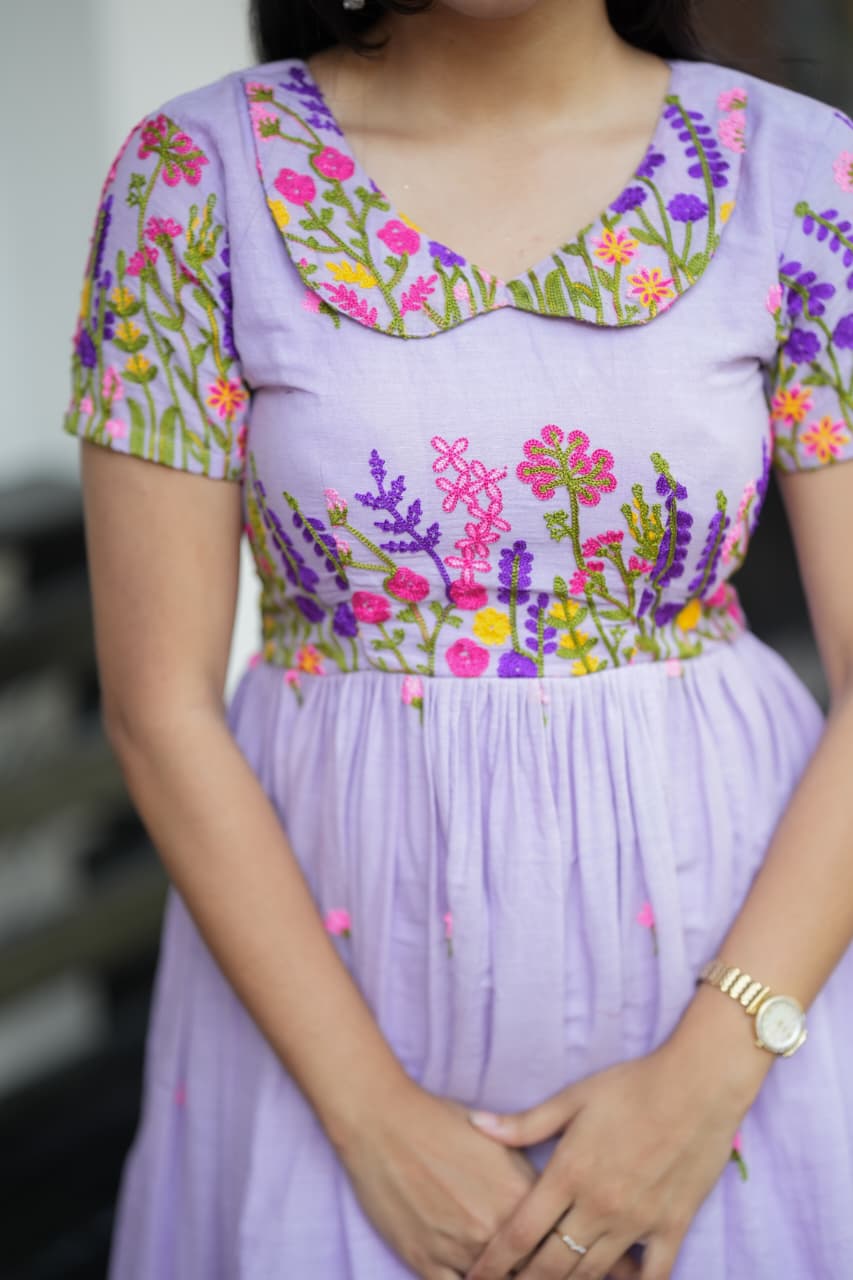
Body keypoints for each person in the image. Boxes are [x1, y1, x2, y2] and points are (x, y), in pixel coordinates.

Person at [63, 0, 853, 1275]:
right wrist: (368, 1116)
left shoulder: (805, 172)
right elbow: (159, 706)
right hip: (321, 1047)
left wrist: (709, 1077)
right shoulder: (195, 177)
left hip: (740, 1034)